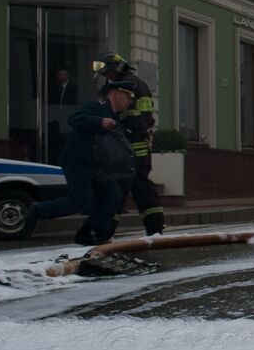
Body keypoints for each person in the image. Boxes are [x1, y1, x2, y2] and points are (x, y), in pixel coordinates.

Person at [31, 80, 138, 245]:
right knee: (80, 201)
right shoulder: (96, 106)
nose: (130, 101)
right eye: (129, 96)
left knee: (112, 195)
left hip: (99, 166)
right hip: (78, 161)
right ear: (116, 93)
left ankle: (92, 232)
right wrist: (99, 121)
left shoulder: (113, 114)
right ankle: (37, 210)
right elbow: (74, 119)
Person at [93, 53, 165, 236]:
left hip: (133, 147)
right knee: (138, 188)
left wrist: (120, 121)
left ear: (116, 69)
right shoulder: (115, 87)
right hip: (127, 148)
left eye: (108, 72)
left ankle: (105, 231)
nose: (107, 77)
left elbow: (143, 119)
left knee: (120, 188)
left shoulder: (135, 86)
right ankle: (155, 229)